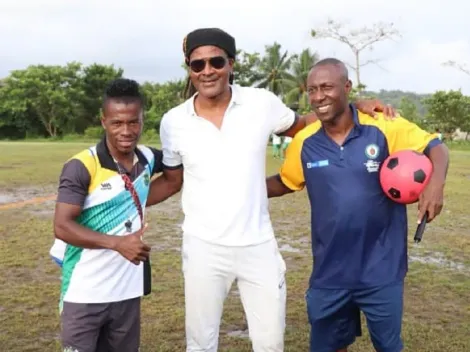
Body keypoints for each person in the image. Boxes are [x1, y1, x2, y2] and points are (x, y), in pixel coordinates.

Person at [144, 28, 398, 352]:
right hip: (203, 248)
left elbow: (304, 124)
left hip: (258, 245)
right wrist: (130, 201)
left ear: (231, 63)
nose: (207, 70)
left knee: (270, 343)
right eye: (197, 65)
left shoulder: (260, 103)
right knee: (200, 342)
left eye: (216, 61)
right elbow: (171, 180)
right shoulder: (173, 121)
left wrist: (352, 106)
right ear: (190, 69)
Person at [266, 58, 449, 352]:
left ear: (347, 87)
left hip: (382, 267)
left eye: (327, 87)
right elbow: (285, 182)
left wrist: (436, 184)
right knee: (328, 346)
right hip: (330, 270)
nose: (318, 96)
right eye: (312, 90)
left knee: (388, 346)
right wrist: (241, 189)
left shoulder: (383, 126)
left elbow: (435, 147)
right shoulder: (305, 142)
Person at [51, 78, 163, 352]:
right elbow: (62, 227)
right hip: (84, 293)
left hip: (127, 293)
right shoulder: (81, 166)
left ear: (141, 120)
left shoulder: (147, 157)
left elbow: (174, 176)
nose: (126, 131)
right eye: (117, 123)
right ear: (104, 121)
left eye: (133, 122)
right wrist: (118, 243)